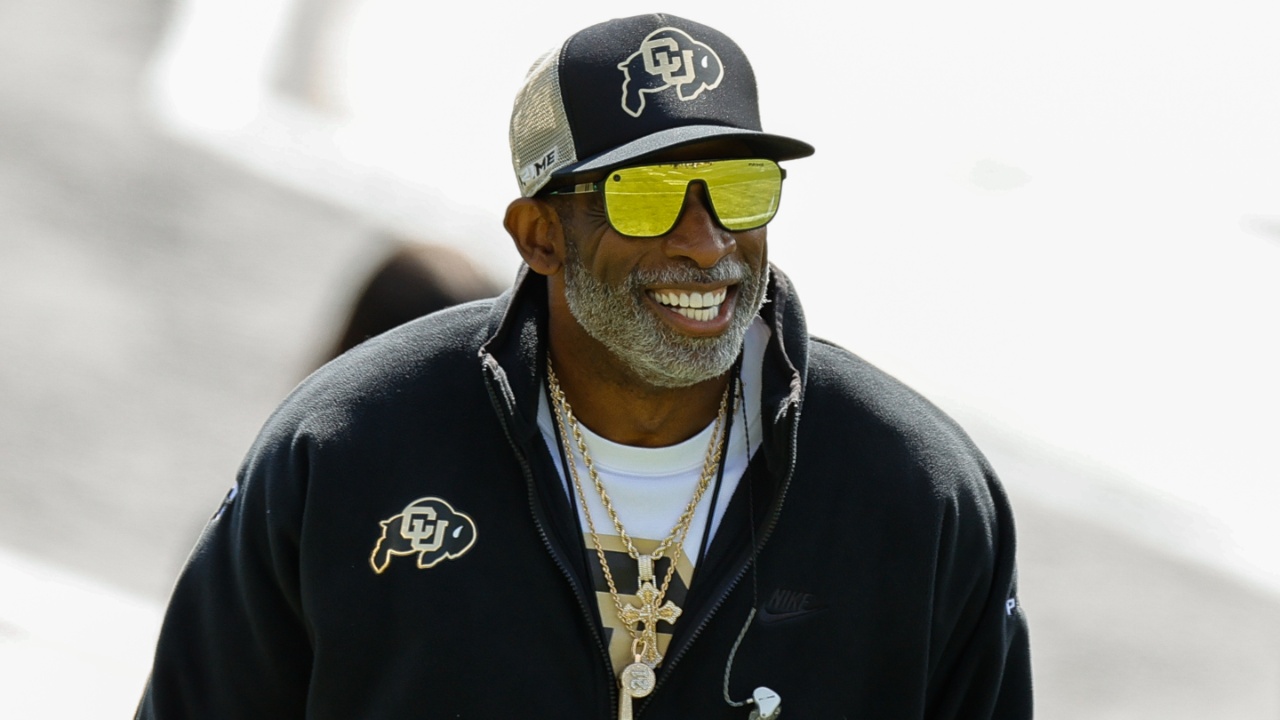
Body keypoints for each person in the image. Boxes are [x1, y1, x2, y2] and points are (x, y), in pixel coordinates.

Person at [136, 13, 1031, 719]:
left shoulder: (923, 497)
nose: (706, 241)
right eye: (647, 195)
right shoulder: (343, 451)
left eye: (741, 188)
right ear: (539, 236)